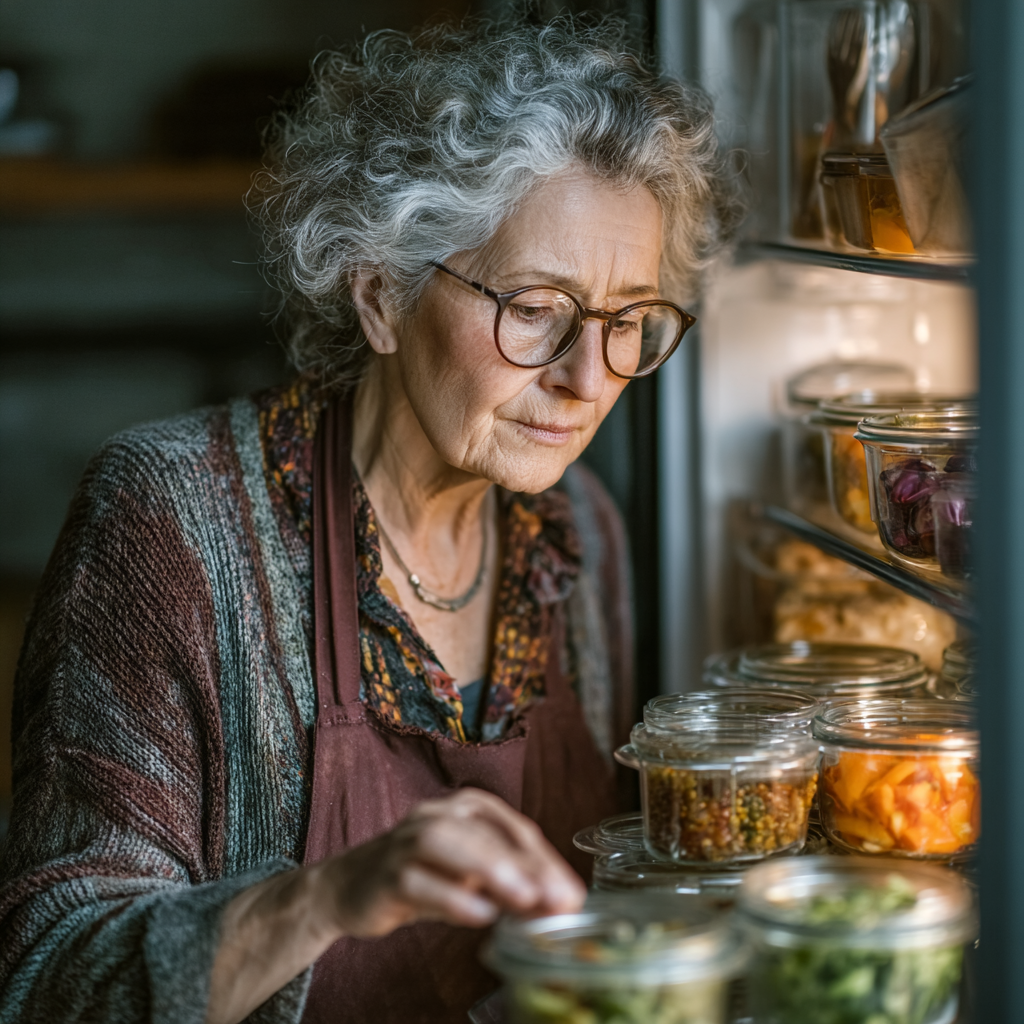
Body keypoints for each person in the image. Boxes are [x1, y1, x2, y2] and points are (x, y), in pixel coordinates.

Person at [0, 16, 736, 1024]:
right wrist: (331, 895)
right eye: (534, 309)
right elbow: (48, 981)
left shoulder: (578, 534)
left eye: (627, 324)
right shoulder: (169, 520)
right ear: (382, 294)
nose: (583, 380)